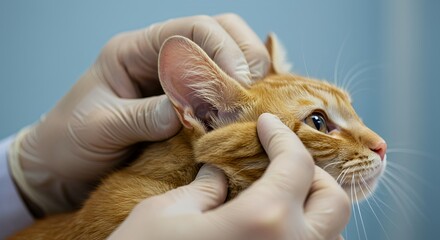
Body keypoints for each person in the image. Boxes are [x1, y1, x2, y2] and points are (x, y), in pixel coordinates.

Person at [0, 14, 350, 239]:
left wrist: (22, 182)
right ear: (207, 114)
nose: (379, 145)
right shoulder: (123, 214)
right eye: (318, 121)